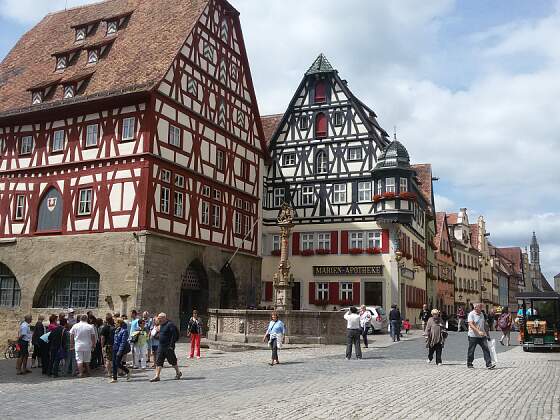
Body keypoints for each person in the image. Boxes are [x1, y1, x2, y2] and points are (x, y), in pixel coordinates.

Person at [150, 313, 182, 382]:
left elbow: (174, 336)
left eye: (159, 318)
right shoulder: (160, 325)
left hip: (168, 347)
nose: (158, 319)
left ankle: (178, 372)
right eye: (158, 318)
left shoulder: (170, 325)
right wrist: (156, 335)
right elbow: (161, 334)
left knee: (172, 360)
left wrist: (171, 345)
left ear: (164, 318)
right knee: (159, 361)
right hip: (161, 346)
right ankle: (157, 376)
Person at [467, 303, 495, 369]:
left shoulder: (482, 314)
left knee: (486, 349)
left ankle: (489, 364)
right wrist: (478, 331)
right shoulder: (471, 314)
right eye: (480, 307)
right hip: (473, 336)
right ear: (475, 308)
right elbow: (471, 325)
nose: (481, 308)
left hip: (482, 336)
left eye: (481, 307)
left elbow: (484, 324)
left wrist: (487, 334)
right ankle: (469, 363)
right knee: (471, 350)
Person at [111, 318, 131, 383]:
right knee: (114, 363)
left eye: (116, 323)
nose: (115, 324)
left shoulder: (124, 331)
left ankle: (127, 371)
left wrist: (120, 351)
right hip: (115, 348)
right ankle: (114, 378)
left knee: (117, 363)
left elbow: (123, 342)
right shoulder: (117, 330)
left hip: (120, 348)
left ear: (119, 323)